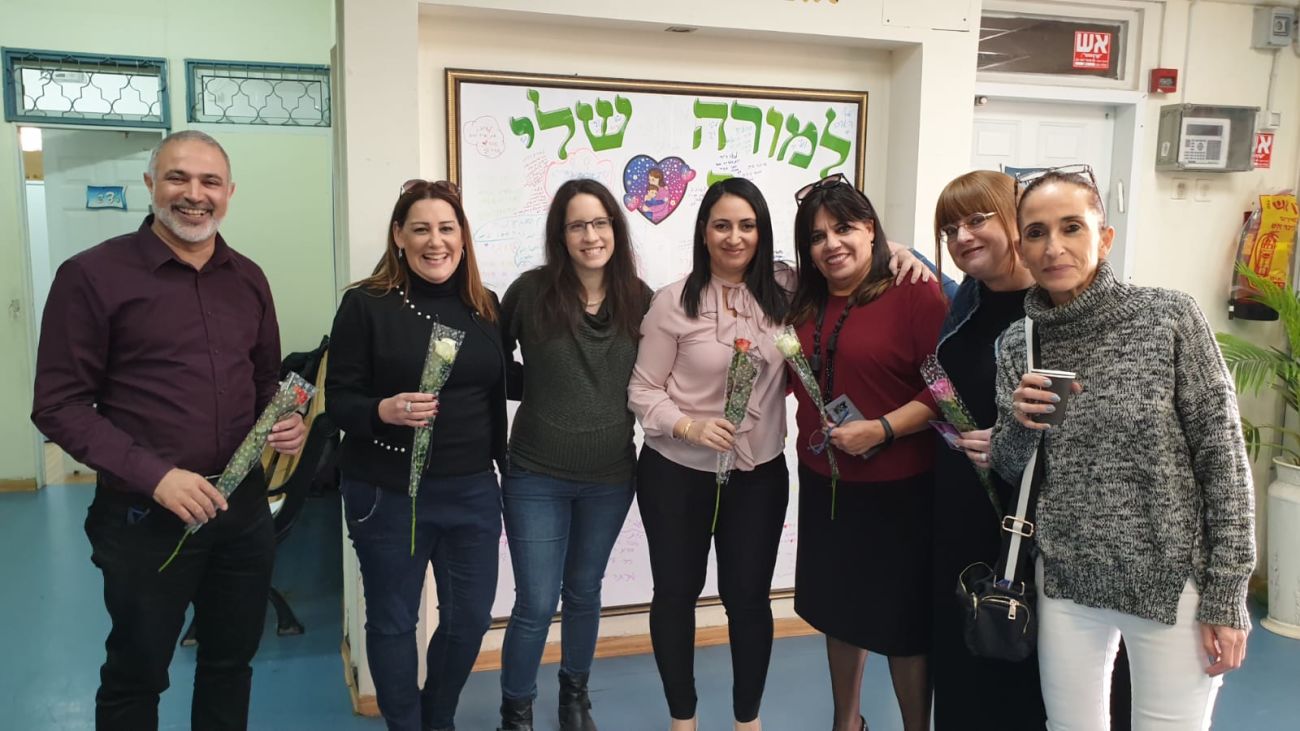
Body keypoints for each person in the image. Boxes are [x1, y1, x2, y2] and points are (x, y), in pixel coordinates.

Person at [31, 130, 306, 731]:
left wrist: (286, 420)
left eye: (210, 182)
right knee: (137, 675)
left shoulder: (248, 278)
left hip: (240, 512)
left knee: (230, 664)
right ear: (150, 183)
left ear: (229, 192)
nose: (194, 194)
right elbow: (58, 406)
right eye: (178, 177)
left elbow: (264, 379)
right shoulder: (92, 276)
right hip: (144, 518)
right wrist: (157, 477)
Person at [990, 165, 1255, 730]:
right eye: (1036, 233)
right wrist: (1020, 423)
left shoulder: (1168, 317)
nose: (1054, 247)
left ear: (1104, 238)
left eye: (1071, 227)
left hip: (1172, 580)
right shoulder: (1019, 343)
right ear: (1021, 249)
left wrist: (1228, 592)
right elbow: (1011, 470)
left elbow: (1224, 460)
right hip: (1066, 580)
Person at [326, 180, 508, 731]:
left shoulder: (484, 304)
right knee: (392, 621)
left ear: (463, 237)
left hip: (473, 489)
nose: (436, 241)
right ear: (399, 236)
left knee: (470, 619)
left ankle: (437, 717)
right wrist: (383, 409)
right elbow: (339, 401)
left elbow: (501, 380)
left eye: (447, 228)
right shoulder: (365, 304)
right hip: (387, 491)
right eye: (421, 229)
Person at [629, 177, 793, 731]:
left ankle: (748, 720)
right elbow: (642, 389)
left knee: (748, 599)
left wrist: (898, 250)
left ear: (762, 232)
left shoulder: (786, 291)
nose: (734, 237)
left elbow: (853, 259)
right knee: (676, 593)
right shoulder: (672, 301)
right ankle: (684, 718)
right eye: (722, 225)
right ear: (703, 232)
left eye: (747, 225)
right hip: (677, 472)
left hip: (758, 474)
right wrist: (688, 426)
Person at [786, 175, 945, 731]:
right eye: (817, 236)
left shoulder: (913, 291)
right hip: (827, 484)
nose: (831, 244)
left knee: (903, 624)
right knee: (840, 612)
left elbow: (946, 389)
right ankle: (846, 722)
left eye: (844, 228)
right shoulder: (803, 303)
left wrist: (883, 429)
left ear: (871, 229)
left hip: (899, 487)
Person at [496, 179, 653, 731]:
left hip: (610, 476)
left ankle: (574, 698)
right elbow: (490, 365)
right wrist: (538, 386)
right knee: (536, 602)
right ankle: (516, 711)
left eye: (600, 222)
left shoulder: (641, 299)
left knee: (584, 592)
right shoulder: (530, 292)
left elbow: (660, 375)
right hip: (535, 473)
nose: (591, 235)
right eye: (577, 225)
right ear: (560, 235)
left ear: (615, 228)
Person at [927, 171, 1046, 729]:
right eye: (950, 229)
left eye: (977, 220)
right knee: (961, 651)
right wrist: (900, 252)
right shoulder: (969, 297)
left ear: (1015, 219)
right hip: (958, 502)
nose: (962, 237)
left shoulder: (1052, 306)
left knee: (1017, 648)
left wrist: (1010, 441)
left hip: (1025, 510)